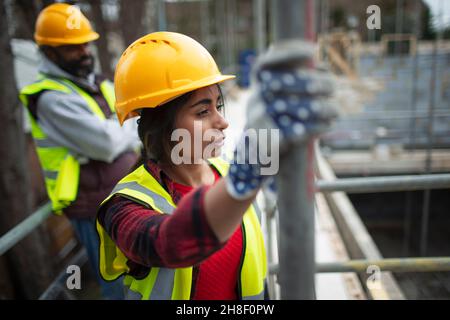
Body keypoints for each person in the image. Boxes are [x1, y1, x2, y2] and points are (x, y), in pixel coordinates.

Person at [96, 32, 335, 300]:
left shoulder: (225, 171)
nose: (222, 122)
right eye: (202, 112)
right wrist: (245, 177)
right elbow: (167, 244)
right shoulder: (123, 205)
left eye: (218, 106)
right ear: (161, 128)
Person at [19, 3, 140, 299]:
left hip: (119, 194)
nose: (85, 51)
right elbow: (107, 143)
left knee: (136, 278)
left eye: (85, 43)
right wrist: (129, 125)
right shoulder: (51, 99)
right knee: (117, 285)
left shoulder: (95, 83)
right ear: (49, 52)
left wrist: (122, 126)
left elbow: (122, 128)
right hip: (93, 208)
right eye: (74, 47)